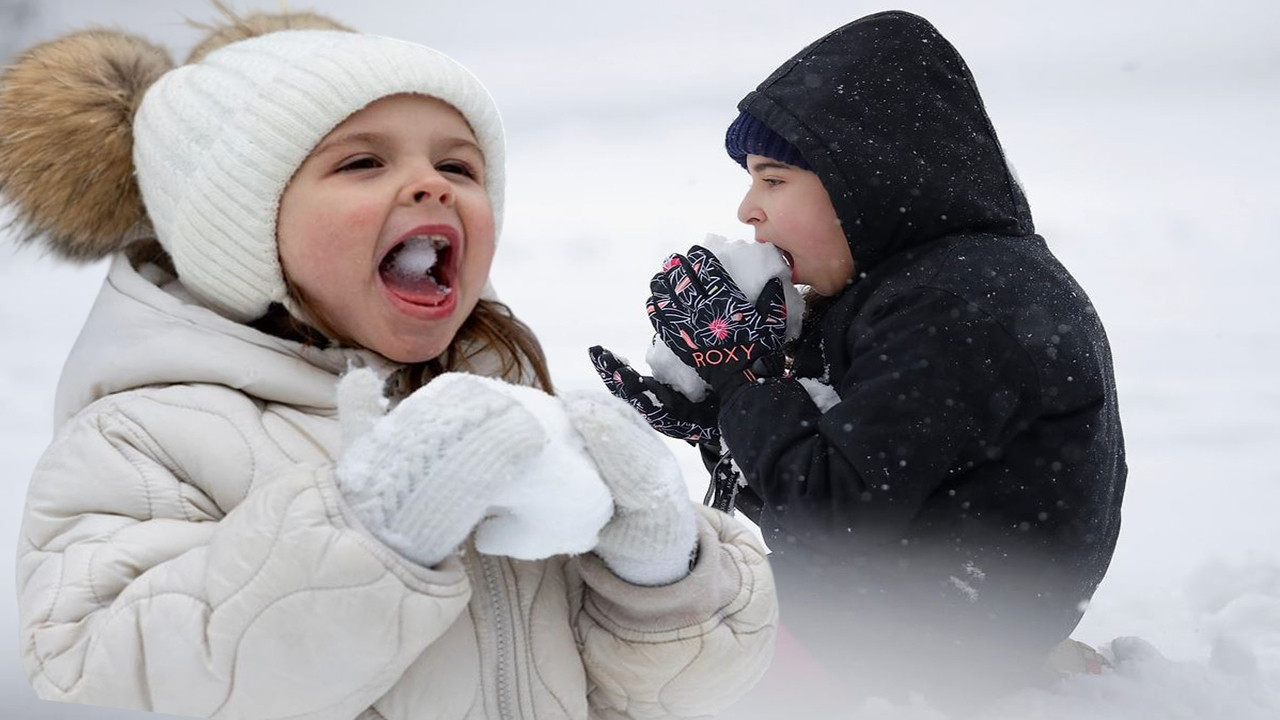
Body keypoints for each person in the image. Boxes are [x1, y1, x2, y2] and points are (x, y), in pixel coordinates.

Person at [3, 9, 776, 719]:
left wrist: (662, 579)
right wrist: (366, 534)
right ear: (238, 231)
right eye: (363, 163)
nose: (431, 182)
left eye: (461, 168)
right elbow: (105, 671)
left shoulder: (505, 398)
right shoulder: (144, 436)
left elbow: (658, 699)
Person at [592, 10, 1124, 709]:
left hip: (917, 642)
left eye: (774, 180)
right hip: (927, 621)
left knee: (618, 645)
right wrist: (723, 416)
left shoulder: (956, 308)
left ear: (870, 182)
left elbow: (834, 514)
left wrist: (745, 383)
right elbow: (842, 484)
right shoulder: (920, 288)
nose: (748, 208)